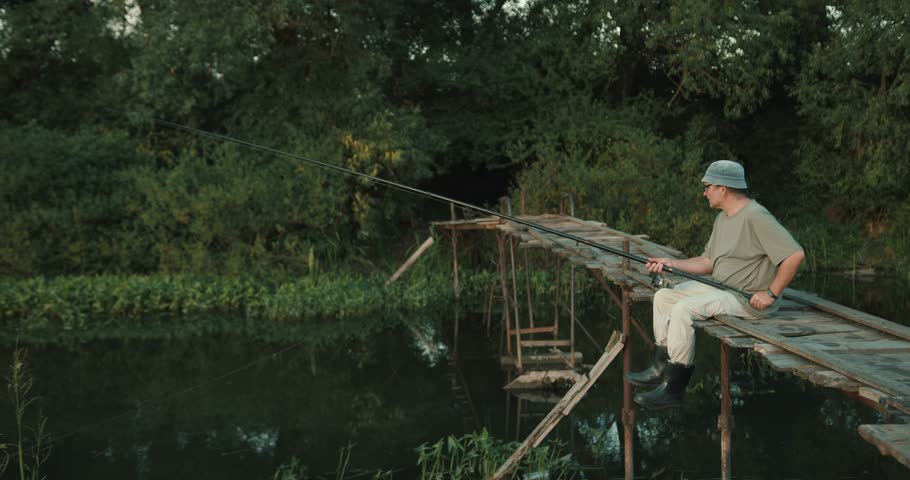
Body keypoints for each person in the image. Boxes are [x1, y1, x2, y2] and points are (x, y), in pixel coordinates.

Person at [625, 160, 805, 409]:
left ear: (724, 188)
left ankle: (674, 389)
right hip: (721, 288)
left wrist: (771, 293)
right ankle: (660, 367)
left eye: (708, 186)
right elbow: (708, 261)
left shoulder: (756, 216)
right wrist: (671, 263)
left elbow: (794, 255)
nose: (704, 192)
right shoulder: (723, 218)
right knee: (664, 297)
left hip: (745, 300)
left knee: (683, 309)